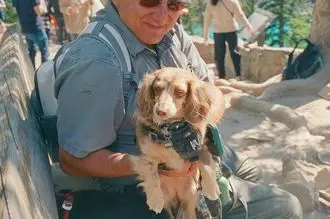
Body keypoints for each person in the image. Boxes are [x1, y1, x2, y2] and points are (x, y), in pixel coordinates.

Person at [54, 0, 303, 218]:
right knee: (287, 206)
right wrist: (161, 161)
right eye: (149, 1)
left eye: (174, 4)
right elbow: (74, 160)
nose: (163, 16)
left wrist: (199, 129)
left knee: (253, 172)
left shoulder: (169, 32)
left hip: (197, 151)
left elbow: (211, 90)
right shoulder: (97, 62)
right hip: (150, 185)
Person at [203, 0, 253, 80]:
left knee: (219, 55)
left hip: (218, 32)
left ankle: (222, 77)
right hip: (231, 31)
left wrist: (205, 35)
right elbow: (240, 16)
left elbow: (207, 19)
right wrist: (248, 26)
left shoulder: (212, 2)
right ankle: (238, 76)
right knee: (234, 53)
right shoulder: (232, 2)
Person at [13, 0, 49, 69]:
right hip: (36, 27)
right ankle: (45, 72)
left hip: (25, 27)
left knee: (31, 51)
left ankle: (32, 71)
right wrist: (44, 8)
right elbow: (38, 11)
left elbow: (15, 11)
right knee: (44, 51)